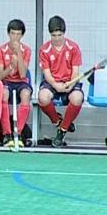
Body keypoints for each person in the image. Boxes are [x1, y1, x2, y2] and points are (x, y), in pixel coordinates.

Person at [38, 15, 83, 148]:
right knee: (43, 97)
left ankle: (62, 130)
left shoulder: (73, 47)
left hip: (70, 82)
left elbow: (75, 71)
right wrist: (56, 85)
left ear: (64, 33)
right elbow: (47, 74)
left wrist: (70, 84)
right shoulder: (44, 50)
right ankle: (57, 121)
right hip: (52, 82)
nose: (57, 38)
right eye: (54, 35)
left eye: (59, 35)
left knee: (77, 97)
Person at [0, 19, 33, 147]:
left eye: (18, 34)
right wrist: (11, 67)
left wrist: (19, 55)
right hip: (6, 81)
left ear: (22, 35)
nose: (15, 37)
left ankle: (19, 133)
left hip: (21, 82)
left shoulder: (27, 50)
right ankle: (6, 133)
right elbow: (0, 75)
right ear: (8, 34)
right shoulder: (1, 50)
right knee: (4, 94)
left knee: (26, 95)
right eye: (12, 34)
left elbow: (23, 74)